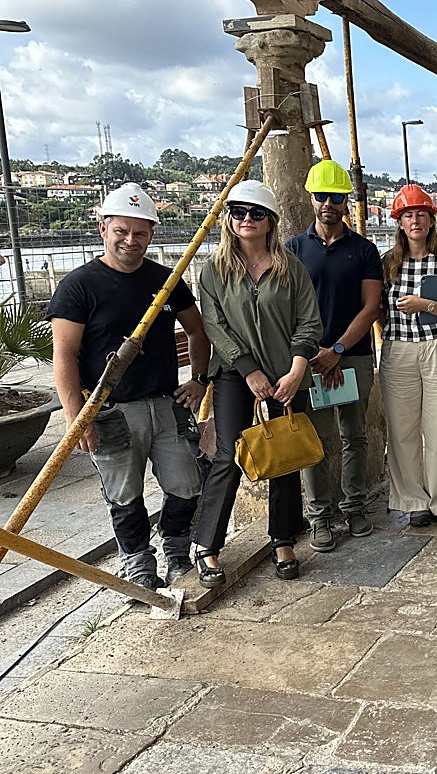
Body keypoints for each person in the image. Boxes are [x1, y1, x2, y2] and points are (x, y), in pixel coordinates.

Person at [47, 182, 210, 590]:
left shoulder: (165, 280)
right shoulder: (79, 286)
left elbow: (197, 331)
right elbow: (64, 356)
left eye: (140, 233)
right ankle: (138, 562)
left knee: (186, 485)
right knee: (124, 496)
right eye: (121, 230)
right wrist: (76, 419)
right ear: (104, 229)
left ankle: (176, 550)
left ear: (151, 235)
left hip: (165, 404)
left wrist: (199, 381)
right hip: (110, 411)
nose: (130, 241)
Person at [190, 180, 323, 586]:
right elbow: (215, 325)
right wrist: (248, 369)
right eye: (238, 212)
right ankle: (207, 545)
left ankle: (283, 538)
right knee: (229, 452)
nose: (247, 219)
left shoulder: (290, 267)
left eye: (256, 213)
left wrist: (298, 369)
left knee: (283, 452)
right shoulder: (213, 271)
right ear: (229, 219)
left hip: (286, 373)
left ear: (271, 222)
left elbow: (309, 321)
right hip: (234, 373)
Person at [285, 160, 383, 551]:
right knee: (316, 440)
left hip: (352, 356)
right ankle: (319, 516)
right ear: (312, 198)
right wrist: (313, 354)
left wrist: (339, 350)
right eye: (322, 196)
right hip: (308, 360)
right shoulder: (293, 249)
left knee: (353, 436)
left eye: (336, 197)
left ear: (346, 202)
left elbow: (370, 306)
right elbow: (287, 307)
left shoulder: (363, 250)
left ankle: (354, 507)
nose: (329, 203)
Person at [378, 185, 437, 527]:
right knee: (402, 428)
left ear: (431, 220)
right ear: (399, 223)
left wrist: (426, 305)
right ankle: (412, 499)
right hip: (399, 348)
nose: (414, 221)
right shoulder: (387, 264)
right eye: (407, 215)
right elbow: (377, 310)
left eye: (421, 214)